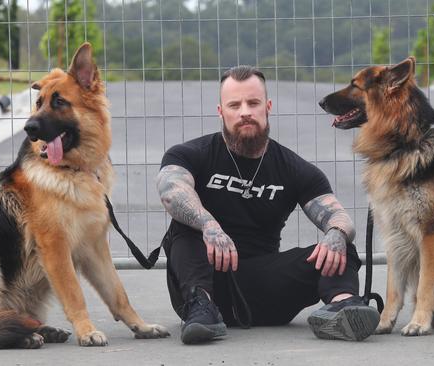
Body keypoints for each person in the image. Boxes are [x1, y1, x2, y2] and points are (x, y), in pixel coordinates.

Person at [156, 65, 380, 345]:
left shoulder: (293, 168)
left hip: (264, 286)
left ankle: (344, 307)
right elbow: (170, 190)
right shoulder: (190, 154)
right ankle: (201, 306)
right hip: (204, 284)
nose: (244, 112)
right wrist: (208, 224)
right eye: (234, 105)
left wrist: (336, 233)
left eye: (253, 103)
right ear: (221, 111)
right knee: (184, 223)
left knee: (341, 245)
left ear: (268, 106)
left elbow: (338, 215)